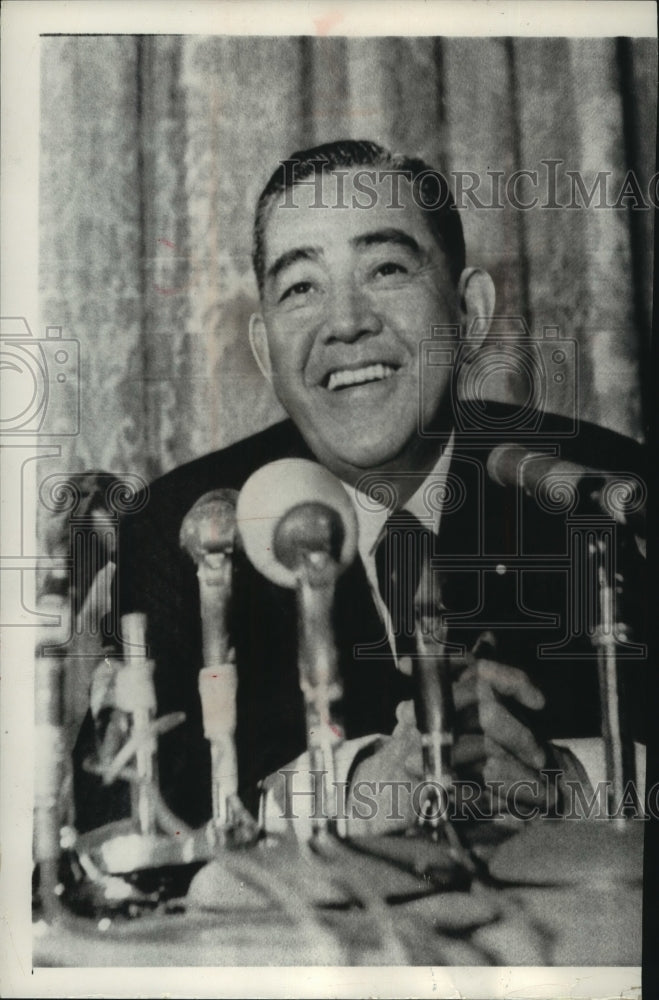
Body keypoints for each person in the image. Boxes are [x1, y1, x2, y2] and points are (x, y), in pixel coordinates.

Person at [73, 140, 645, 835]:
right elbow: (111, 815)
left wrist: (570, 780)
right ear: (265, 350)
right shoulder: (181, 529)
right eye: (301, 288)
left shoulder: (607, 491)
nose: (345, 322)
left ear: (468, 312)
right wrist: (357, 787)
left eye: (385, 268)